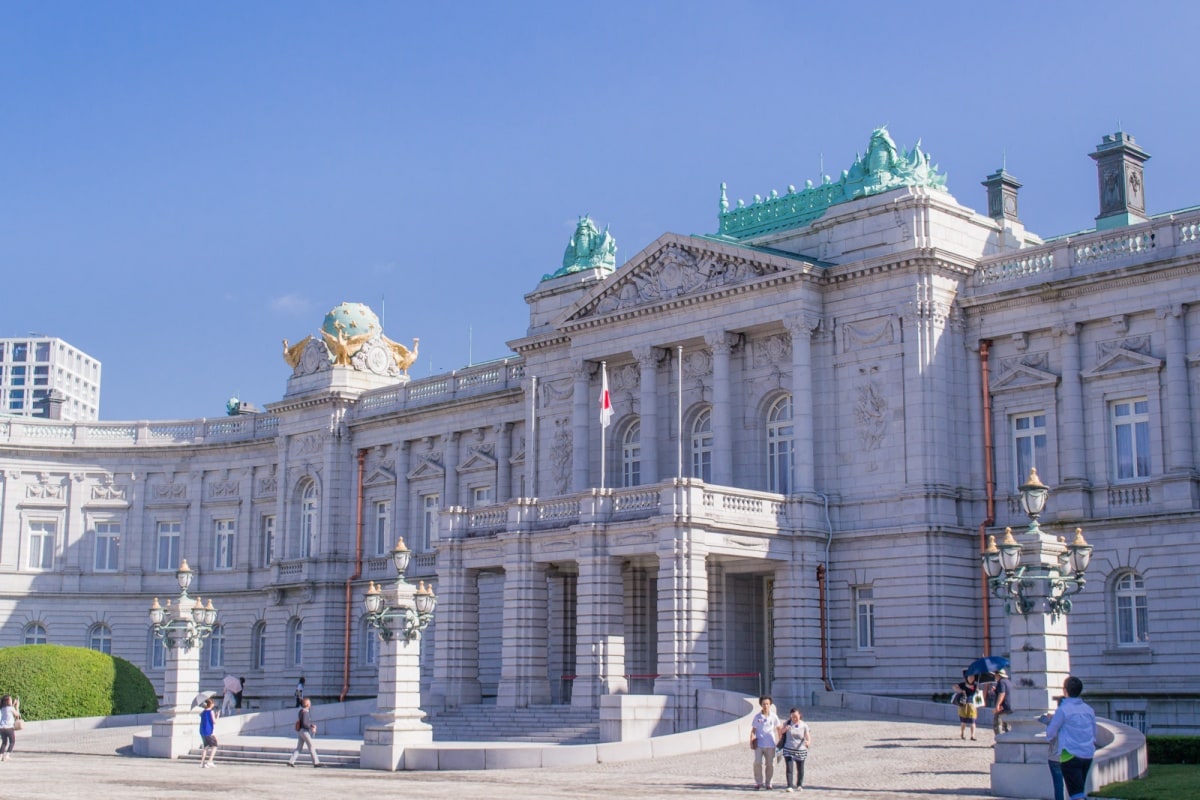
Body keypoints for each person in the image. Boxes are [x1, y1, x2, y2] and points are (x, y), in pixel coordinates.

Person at [1045, 676, 1097, 800]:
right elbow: (1094, 732)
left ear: (1065, 691)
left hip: (1070, 754)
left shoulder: (1063, 710)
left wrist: (1049, 727)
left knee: (1076, 794)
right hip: (1087, 754)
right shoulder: (1089, 710)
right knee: (1079, 790)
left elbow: (1050, 733)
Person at [777, 707, 811, 793]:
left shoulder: (804, 725)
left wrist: (808, 742)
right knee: (789, 768)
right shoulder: (787, 723)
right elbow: (780, 732)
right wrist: (785, 729)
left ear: (800, 715)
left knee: (800, 768)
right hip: (789, 749)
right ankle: (789, 785)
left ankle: (799, 784)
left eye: (796, 716)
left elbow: (807, 735)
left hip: (800, 749)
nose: (794, 718)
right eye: (792, 717)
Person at [749, 695, 780, 790]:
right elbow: (753, 730)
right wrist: (751, 740)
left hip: (770, 744)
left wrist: (780, 741)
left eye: (767, 704)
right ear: (761, 705)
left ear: (770, 704)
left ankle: (769, 782)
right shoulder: (757, 717)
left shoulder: (774, 716)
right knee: (757, 762)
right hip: (759, 743)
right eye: (764, 704)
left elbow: (778, 728)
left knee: (770, 764)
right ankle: (758, 782)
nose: (766, 706)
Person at [1039, 696, 1067, 800]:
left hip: (1055, 756)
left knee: (1058, 785)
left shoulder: (1056, 719)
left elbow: (1049, 737)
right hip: (1070, 755)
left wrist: (1049, 720)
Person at [287, 697, 321, 768]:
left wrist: (311, 725)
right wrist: (311, 727)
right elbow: (305, 723)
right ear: (307, 704)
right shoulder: (305, 712)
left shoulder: (301, 711)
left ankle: (291, 761)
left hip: (300, 731)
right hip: (305, 731)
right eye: (310, 703)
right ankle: (316, 762)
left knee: (299, 747)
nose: (310, 704)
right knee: (311, 746)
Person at [953, 672, 980, 740]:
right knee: (963, 722)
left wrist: (977, 691)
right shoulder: (963, 684)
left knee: (972, 721)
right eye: (970, 677)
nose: (971, 678)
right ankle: (962, 733)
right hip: (963, 705)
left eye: (972, 677)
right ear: (967, 677)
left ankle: (972, 735)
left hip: (972, 705)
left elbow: (978, 696)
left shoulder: (976, 685)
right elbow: (954, 686)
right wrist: (961, 691)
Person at [198, 697, 218, 768]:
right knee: (215, 746)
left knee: (205, 747)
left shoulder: (203, 712)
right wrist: (217, 716)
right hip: (209, 731)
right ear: (211, 704)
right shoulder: (211, 712)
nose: (213, 704)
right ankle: (210, 761)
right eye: (213, 703)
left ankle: (202, 763)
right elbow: (214, 721)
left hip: (202, 731)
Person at [992, 668, 1013, 735]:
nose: (995, 676)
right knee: (1007, 725)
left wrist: (997, 705)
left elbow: (1002, 693)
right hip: (1010, 706)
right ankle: (1009, 741)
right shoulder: (1008, 681)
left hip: (1003, 707)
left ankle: (999, 740)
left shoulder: (1001, 682)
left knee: (997, 723)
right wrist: (995, 690)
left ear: (998, 675)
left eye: (995, 675)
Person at [0, 695, 18, 762]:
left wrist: (13, 705)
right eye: (10, 700)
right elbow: (17, 714)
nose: (11, 700)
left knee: (4, 742)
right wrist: (17, 707)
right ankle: (7, 755)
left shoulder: (2, 708)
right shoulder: (11, 708)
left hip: (2, 728)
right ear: (8, 701)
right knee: (12, 742)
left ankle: (0, 755)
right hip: (9, 728)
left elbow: (9, 710)